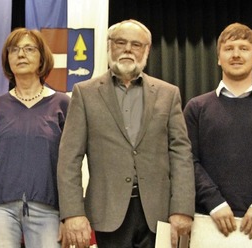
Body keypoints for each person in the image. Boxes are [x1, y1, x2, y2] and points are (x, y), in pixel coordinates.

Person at [57, 19, 194, 248]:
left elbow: (181, 154)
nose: (128, 49)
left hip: (158, 215)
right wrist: (72, 213)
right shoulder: (85, 93)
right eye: (121, 42)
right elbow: (69, 157)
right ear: (109, 46)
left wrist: (182, 208)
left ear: (147, 50)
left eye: (136, 44)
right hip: (107, 212)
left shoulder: (168, 94)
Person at [183, 23, 252, 239]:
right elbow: (188, 161)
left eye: (243, 48)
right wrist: (214, 203)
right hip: (208, 220)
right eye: (229, 48)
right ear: (218, 58)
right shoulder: (196, 108)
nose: (236, 55)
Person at [0, 28, 69, 248]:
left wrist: (69, 214)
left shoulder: (63, 104)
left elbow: (71, 165)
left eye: (29, 49)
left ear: (42, 57)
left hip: (49, 209)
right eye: (14, 50)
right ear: (7, 59)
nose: (21, 54)